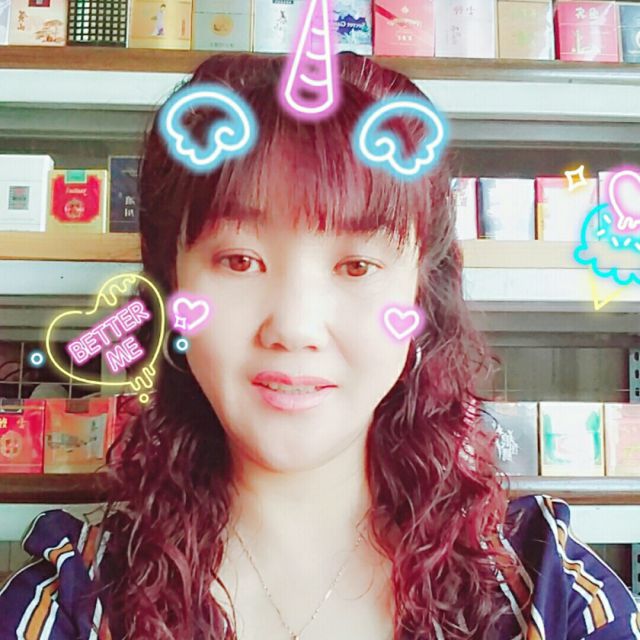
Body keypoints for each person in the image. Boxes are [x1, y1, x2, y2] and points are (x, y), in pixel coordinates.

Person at [1, 52, 639, 640]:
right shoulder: (71, 608)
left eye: (357, 266)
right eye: (240, 260)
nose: (295, 327)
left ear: (421, 297)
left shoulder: (548, 598)